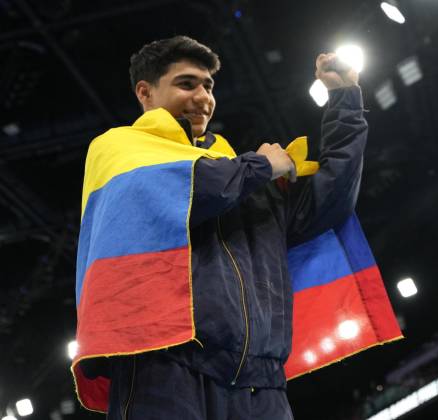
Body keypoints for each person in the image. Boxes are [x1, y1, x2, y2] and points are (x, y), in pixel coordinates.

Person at [73, 35, 368, 420]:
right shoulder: (119, 148)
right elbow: (195, 189)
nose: (203, 97)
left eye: (208, 86)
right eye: (187, 84)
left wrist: (345, 100)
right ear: (145, 92)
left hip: (260, 380)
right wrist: (262, 167)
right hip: (165, 366)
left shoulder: (238, 173)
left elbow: (330, 202)